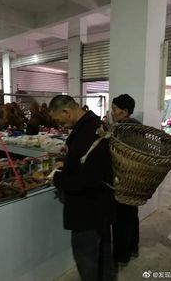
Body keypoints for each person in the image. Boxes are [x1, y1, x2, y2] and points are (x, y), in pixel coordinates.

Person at [48, 95, 116, 281]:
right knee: (104, 258)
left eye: (57, 119)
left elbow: (87, 181)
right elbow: (90, 165)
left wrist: (57, 177)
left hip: (87, 211)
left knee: (88, 263)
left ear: (66, 112)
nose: (59, 124)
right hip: (102, 206)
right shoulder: (94, 124)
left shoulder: (87, 133)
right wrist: (69, 164)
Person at [111, 94, 141, 266]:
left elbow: (120, 155)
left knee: (121, 218)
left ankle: (121, 256)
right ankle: (133, 248)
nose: (113, 112)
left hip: (124, 178)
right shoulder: (138, 126)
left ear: (125, 111)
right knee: (131, 215)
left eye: (115, 109)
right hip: (136, 179)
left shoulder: (124, 129)